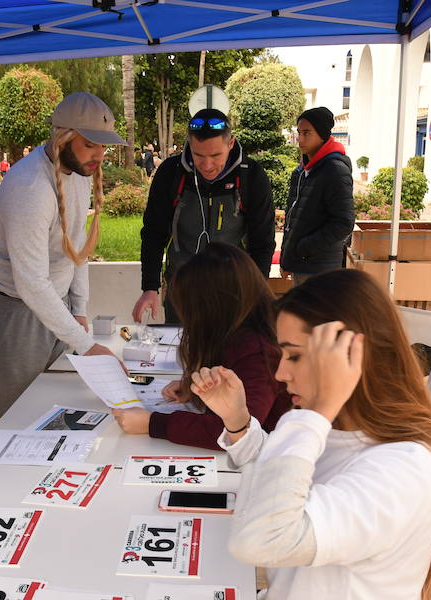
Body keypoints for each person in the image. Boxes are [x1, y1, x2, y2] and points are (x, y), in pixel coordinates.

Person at [191, 268, 431, 599]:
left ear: (350, 356)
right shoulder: (348, 432)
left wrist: (316, 411)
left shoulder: (405, 469)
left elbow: (263, 538)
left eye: (294, 355)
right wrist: (237, 420)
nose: (280, 373)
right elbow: (284, 482)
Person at [0, 92, 127, 430]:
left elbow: (77, 247)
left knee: (53, 409)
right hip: (17, 310)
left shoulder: (78, 172)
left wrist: (78, 307)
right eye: (91, 145)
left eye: (104, 147)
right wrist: (87, 346)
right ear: (63, 138)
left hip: (54, 306)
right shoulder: (30, 186)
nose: (100, 156)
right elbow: (30, 283)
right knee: (10, 417)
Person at [112, 243, 290, 450]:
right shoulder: (245, 332)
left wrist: (152, 423)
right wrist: (199, 389)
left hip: (264, 460)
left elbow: (237, 433)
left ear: (213, 309)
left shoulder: (258, 352)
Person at [134, 108, 276, 324]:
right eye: (198, 155)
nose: (207, 166)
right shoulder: (171, 173)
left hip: (234, 290)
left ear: (230, 144)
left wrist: (258, 292)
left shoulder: (251, 176)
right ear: (190, 145)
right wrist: (150, 287)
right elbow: (154, 235)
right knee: (181, 354)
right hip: (182, 288)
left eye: (216, 155)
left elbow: (263, 241)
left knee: (231, 355)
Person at [279, 107, 354, 287]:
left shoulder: (335, 170)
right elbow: (293, 219)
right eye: (299, 133)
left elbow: (344, 223)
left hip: (320, 270)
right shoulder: (301, 171)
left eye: (307, 133)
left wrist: (304, 248)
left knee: (317, 316)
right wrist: (287, 256)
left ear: (321, 134)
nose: (300, 139)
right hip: (300, 265)